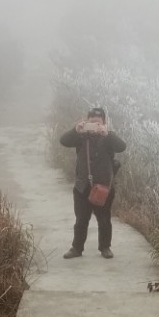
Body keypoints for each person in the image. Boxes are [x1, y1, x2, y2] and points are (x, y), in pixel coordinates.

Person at [59, 107, 126, 259]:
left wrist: (107, 134)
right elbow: (63, 141)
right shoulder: (81, 137)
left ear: (103, 122)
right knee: (81, 220)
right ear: (87, 121)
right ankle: (76, 248)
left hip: (103, 187)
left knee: (104, 220)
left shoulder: (108, 137)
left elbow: (122, 147)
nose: (94, 125)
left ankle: (105, 248)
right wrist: (76, 130)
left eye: (98, 122)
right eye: (92, 122)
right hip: (82, 186)